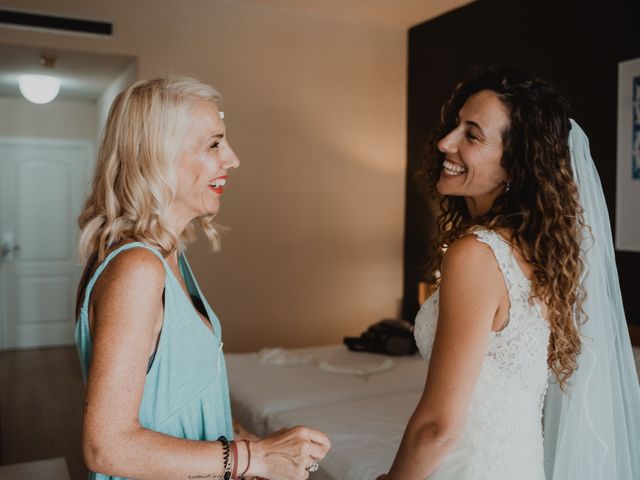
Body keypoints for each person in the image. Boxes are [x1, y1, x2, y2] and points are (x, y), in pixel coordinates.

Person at [376, 67, 640, 479]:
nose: (445, 141)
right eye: (455, 125)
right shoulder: (540, 253)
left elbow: (438, 427)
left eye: (472, 134)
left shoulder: (475, 255)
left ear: (517, 164)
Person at [75, 76, 330, 480]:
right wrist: (253, 458)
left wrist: (261, 446)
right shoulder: (137, 269)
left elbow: (187, 397)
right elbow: (106, 447)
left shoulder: (169, 256)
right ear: (154, 156)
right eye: (213, 144)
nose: (232, 159)